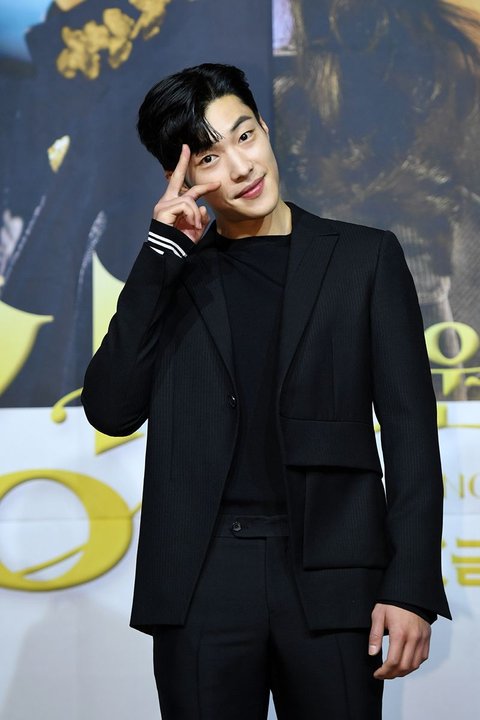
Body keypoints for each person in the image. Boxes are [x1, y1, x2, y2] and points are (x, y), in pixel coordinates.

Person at [81, 63, 451, 719]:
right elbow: (111, 412)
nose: (241, 167)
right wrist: (160, 257)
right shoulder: (173, 276)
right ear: (182, 177)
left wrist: (411, 586)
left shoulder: (364, 258)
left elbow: (411, 435)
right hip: (201, 580)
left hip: (335, 574)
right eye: (210, 158)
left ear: (266, 130)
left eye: (244, 136)